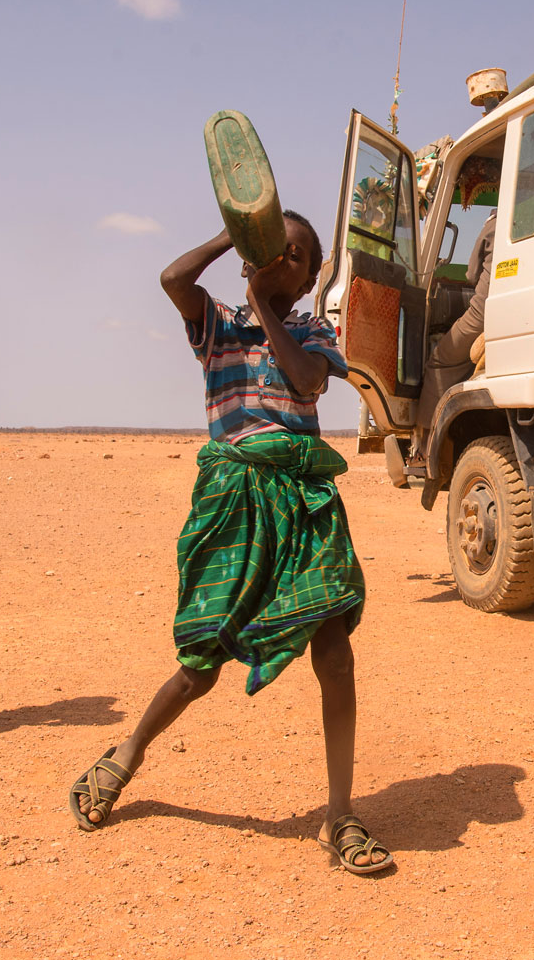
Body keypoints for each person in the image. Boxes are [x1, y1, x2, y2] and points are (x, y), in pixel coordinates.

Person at [68, 209, 392, 876]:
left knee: (334, 654)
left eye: (299, 256)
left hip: (303, 499)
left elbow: (305, 381)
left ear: (308, 281)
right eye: (278, 248)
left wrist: (259, 301)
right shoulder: (214, 323)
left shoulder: (311, 328)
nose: (286, 260)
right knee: (202, 661)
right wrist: (235, 237)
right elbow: (171, 277)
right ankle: (126, 754)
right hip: (235, 500)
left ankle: (340, 814)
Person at [407, 210, 496, 479]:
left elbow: (471, 274)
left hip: (483, 313)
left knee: (439, 362)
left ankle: (423, 446)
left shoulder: (493, 224)